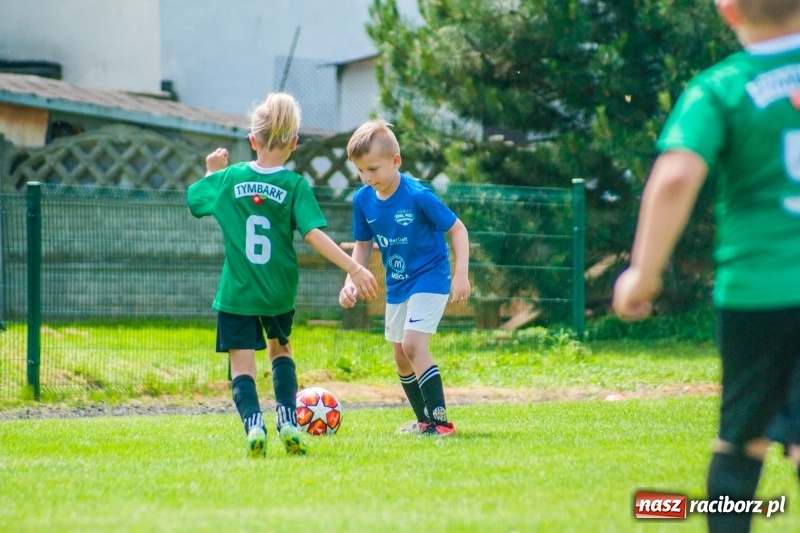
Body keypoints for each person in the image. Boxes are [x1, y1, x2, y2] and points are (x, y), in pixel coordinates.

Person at [612, 1, 800, 531]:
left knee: (743, 438)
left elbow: (675, 178)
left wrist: (643, 274)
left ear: (729, 11)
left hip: (756, 292)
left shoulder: (720, 87)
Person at [187, 93, 378, 458]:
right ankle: (288, 419)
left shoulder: (229, 179)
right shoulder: (294, 186)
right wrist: (353, 266)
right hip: (278, 291)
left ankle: (254, 425)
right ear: (294, 142)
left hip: (237, 293)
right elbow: (314, 235)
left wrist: (212, 170)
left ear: (252, 141)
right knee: (281, 350)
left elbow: (196, 201)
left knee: (241, 364)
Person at [339, 119, 471, 436]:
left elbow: (457, 228)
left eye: (373, 169)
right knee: (400, 357)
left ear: (396, 161)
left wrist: (461, 274)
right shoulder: (363, 200)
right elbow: (362, 244)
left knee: (413, 346)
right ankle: (423, 421)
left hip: (430, 278)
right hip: (398, 285)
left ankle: (441, 423)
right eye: (360, 171)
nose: (367, 178)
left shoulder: (417, 196)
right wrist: (350, 279)